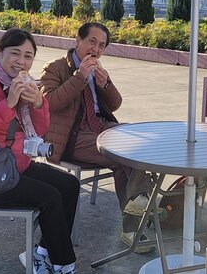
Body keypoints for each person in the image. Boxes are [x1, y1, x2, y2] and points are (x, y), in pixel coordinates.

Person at [0, 28, 79, 274]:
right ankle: (64, 265)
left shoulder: (18, 81)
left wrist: (37, 103)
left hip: (13, 164)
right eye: (15, 54)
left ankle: (42, 253)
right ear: (0, 52)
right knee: (50, 197)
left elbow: (40, 128)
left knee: (69, 185)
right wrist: (9, 103)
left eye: (28, 56)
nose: (22, 62)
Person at [40, 22, 154, 252]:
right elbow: (49, 102)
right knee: (121, 156)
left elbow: (115, 104)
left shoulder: (97, 70)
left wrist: (105, 84)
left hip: (99, 127)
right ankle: (137, 217)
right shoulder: (55, 67)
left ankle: (137, 206)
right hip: (71, 136)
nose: (96, 49)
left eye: (102, 45)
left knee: (139, 142)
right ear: (77, 41)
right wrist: (80, 77)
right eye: (92, 41)